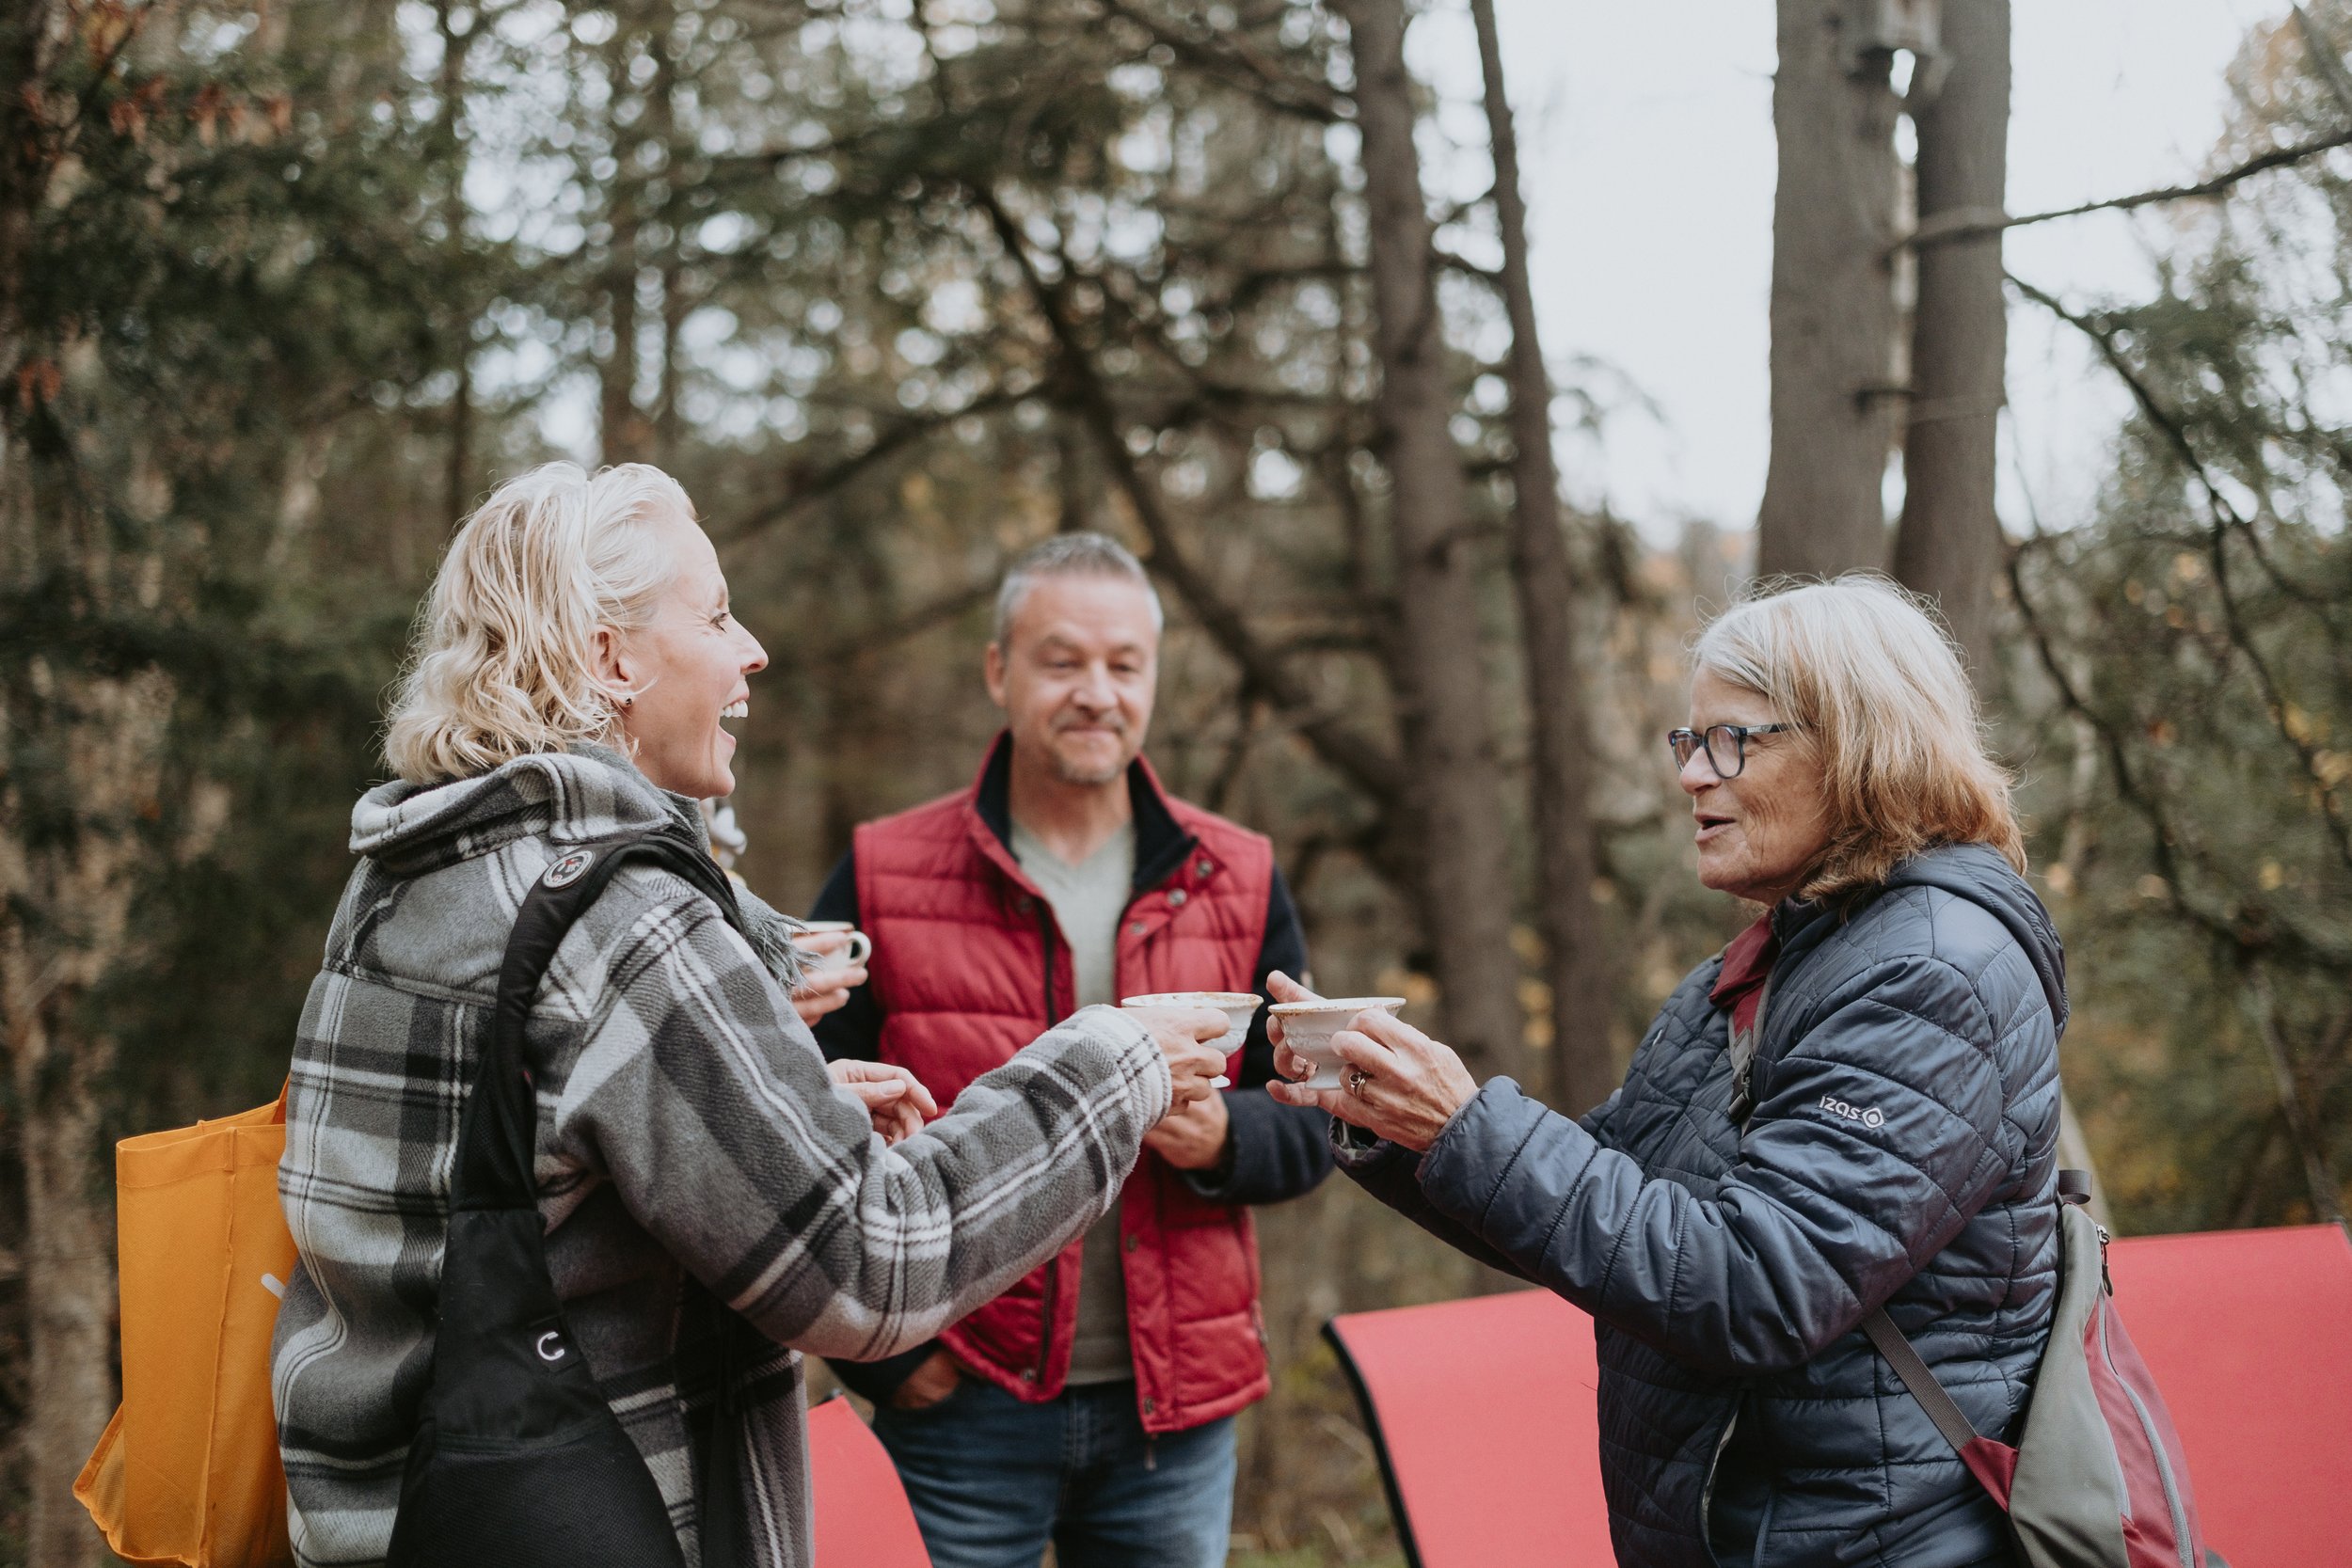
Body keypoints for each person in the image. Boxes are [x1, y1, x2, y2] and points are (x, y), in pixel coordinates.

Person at [269, 464, 1232, 1568]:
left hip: (385, 1516)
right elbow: (872, 1261)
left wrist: (789, 1108)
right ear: (607, 655)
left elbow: (511, 1165)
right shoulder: (626, 918)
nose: (751, 649)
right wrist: (1116, 1062)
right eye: (717, 612)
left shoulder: (410, 865)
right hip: (592, 1518)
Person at [1271, 577, 2062, 1568]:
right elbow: (1609, 1200)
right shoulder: (1767, 962)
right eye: (1688, 744)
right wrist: (1400, 1120)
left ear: (1859, 741)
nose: (1693, 776)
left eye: (1731, 740)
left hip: (1878, 1542)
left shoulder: (1934, 973)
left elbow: (1759, 1281)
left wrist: (1469, 1127)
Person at [807, 532, 1331, 1568]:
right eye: (1062, 659)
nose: (1096, 691)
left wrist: (1227, 1135)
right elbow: (797, 1128)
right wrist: (886, 1361)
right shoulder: (882, 870)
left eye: (1123, 663)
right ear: (999, 670)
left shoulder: (1239, 874)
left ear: (1152, 678)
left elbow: (1315, 1123)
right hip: (956, 1401)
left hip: (1173, 1420)